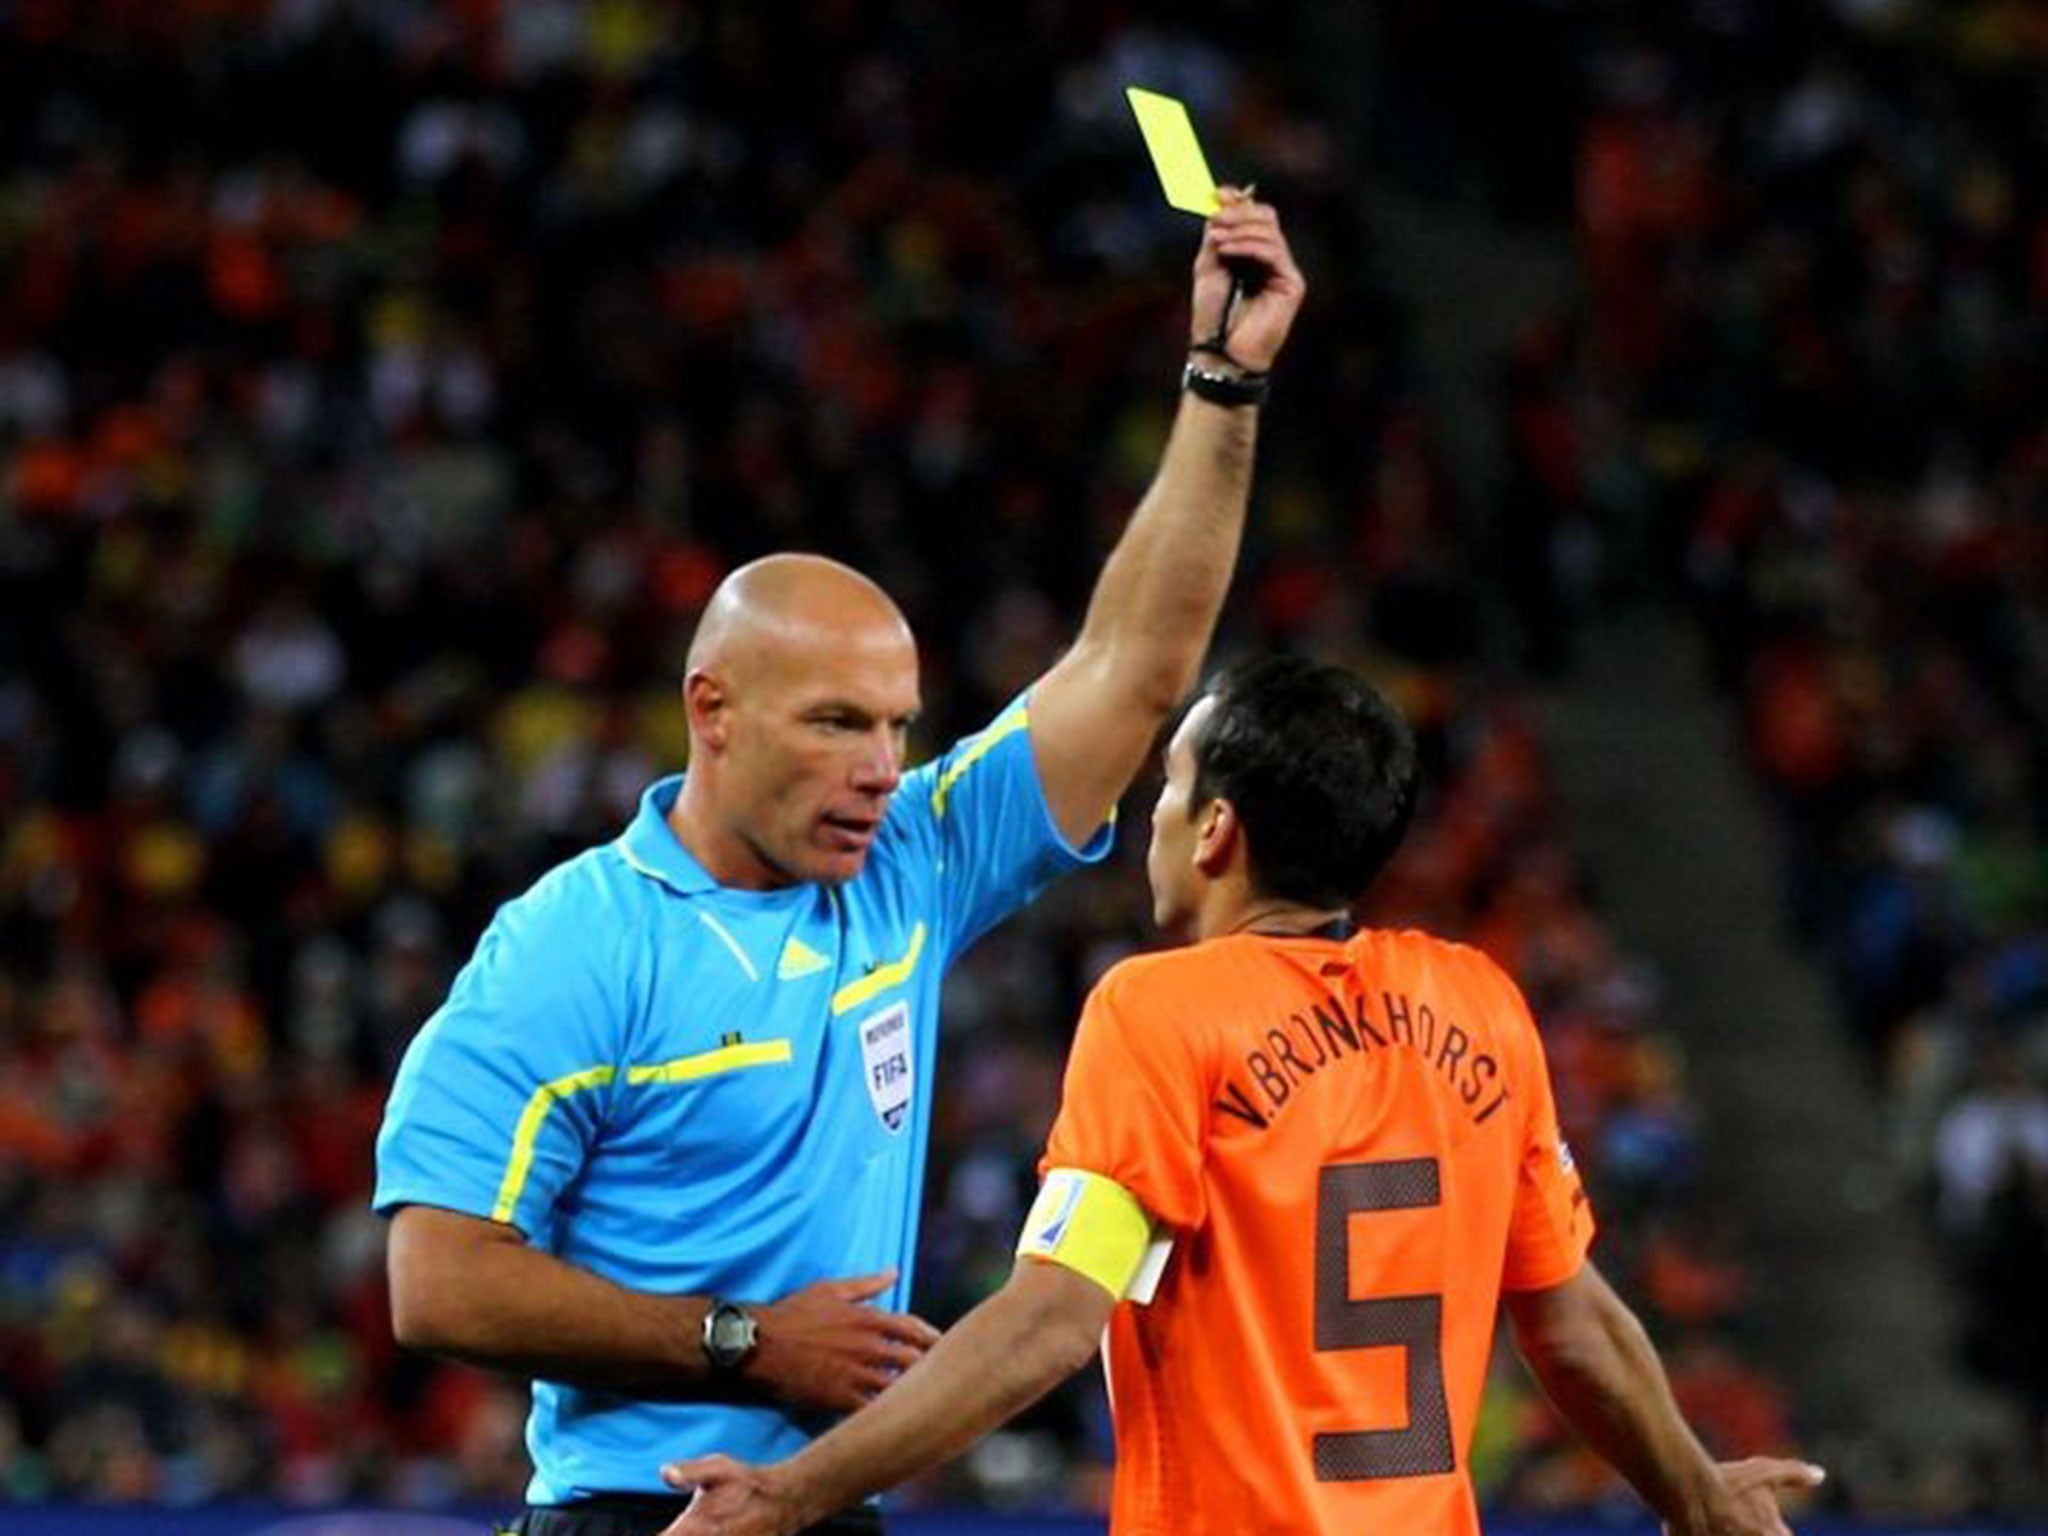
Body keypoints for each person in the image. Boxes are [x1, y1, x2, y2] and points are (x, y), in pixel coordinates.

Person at [371, 189, 1306, 1536]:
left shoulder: (907, 863)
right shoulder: (573, 944)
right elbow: (435, 1280)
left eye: (896, 728)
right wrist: (739, 1343)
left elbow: (1134, 667)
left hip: (822, 1507)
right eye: (834, 725)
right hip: (639, 1514)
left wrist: (1224, 384)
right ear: (713, 710)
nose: (880, 766)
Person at [658, 656, 1828, 1536]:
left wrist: (787, 1494)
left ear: (1216, 829)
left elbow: (1053, 1320)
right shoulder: (1479, 1004)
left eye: (1168, 785)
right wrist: (1698, 1500)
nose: (1150, 816)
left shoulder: (1160, 1011)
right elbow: (1569, 1320)